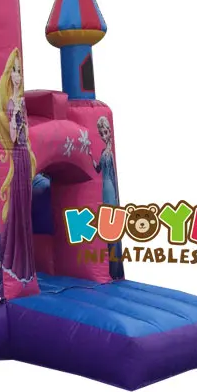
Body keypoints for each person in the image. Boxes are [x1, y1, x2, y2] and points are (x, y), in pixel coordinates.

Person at [0, 48, 37, 284]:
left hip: (24, 153)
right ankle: (14, 260)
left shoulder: (20, 101)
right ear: (9, 74)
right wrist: (16, 118)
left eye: (20, 71)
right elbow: (13, 136)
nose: (18, 75)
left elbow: (25, 135)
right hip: (17, 154)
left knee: (24, 204)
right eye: (15, 71)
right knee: (17, 204)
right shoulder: (12, 103)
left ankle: (26, 265)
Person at [91, 115, 125, 280]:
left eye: (105, 132)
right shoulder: (104, 151)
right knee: (107, 227)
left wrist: (117, 196)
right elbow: (98, 169)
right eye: (101, 133)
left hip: (111, 189)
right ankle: (112, 268)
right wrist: (90, 156)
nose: (104, 136)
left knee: (112, 227)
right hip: (105, 189)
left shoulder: (112, 152)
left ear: (110, 131)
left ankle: (116, 269)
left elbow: (114, 175)